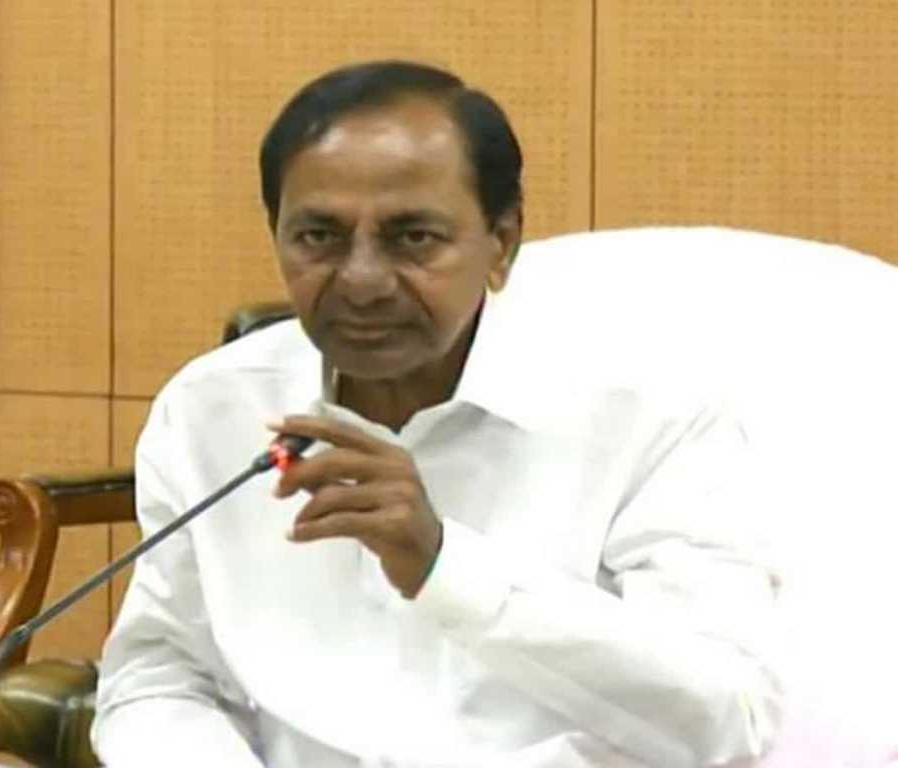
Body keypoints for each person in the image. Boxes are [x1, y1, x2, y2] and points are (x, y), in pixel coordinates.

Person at [91, 61, 783, 767]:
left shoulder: (651, 416)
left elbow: (729, 719)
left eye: (412, 237)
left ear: (502, 242)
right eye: (319, 237)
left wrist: (446, 564)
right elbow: (160, 674)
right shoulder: (213, 409)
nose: (362, 281)